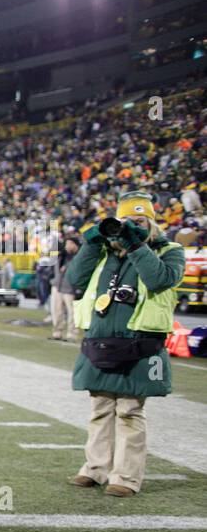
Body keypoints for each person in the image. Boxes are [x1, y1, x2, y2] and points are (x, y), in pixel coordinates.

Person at [67, 191, 184, 496]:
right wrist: (92, 241)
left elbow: (158, 279)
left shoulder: (169, 251)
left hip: (140, 344)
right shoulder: (105, 252)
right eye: (127, 221)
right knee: (100, 408)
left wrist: (134, 244)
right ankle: (94, 469)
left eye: (140, 220)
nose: (133, 225)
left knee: (130, 410)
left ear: (152, 223)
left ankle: (126, 477)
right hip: (101, 341)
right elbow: (75, 278)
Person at [50, 235, 81, 342]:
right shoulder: (62, 255)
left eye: (69, 244)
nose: (66, 246)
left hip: (70, 287)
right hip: (58, 285)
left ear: (74, 244)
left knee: (72, 312)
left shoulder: (79, 257)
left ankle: (72, 334)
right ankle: (57, 332)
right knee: (57, 310)